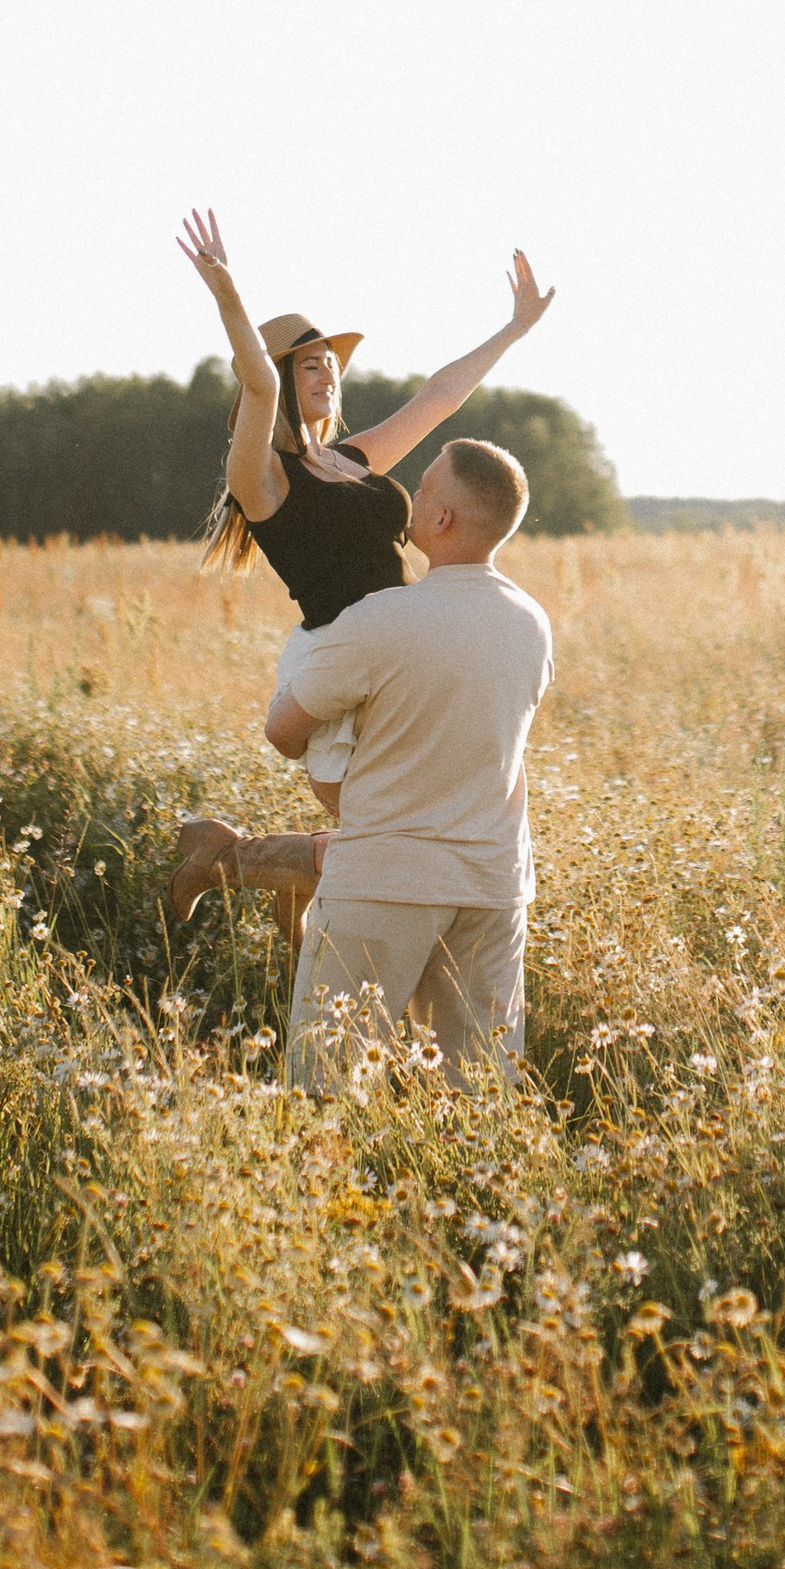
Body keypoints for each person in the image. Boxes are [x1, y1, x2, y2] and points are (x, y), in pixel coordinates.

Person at [164, 209, 552, 939]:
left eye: (331, 363)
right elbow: (256, 389)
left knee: (411, 834)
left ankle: (265, 867)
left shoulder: (351, 460)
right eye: (309, 362)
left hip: (402, 651)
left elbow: (438, 398)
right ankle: (240, 861)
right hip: (340, 660)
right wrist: (226, 294)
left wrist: (515, 328)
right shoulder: (264, 479)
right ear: (281, 374)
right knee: (393, 838)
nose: (328, 372)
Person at [270, 432, 552, 1087]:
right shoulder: (531, 622)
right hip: (494, 885)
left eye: (423, 489)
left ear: (443, 518)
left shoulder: (378, 621)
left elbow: (283, 731)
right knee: (475, 1099)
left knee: (326, 1087)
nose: (411, 498)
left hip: (383, 881)